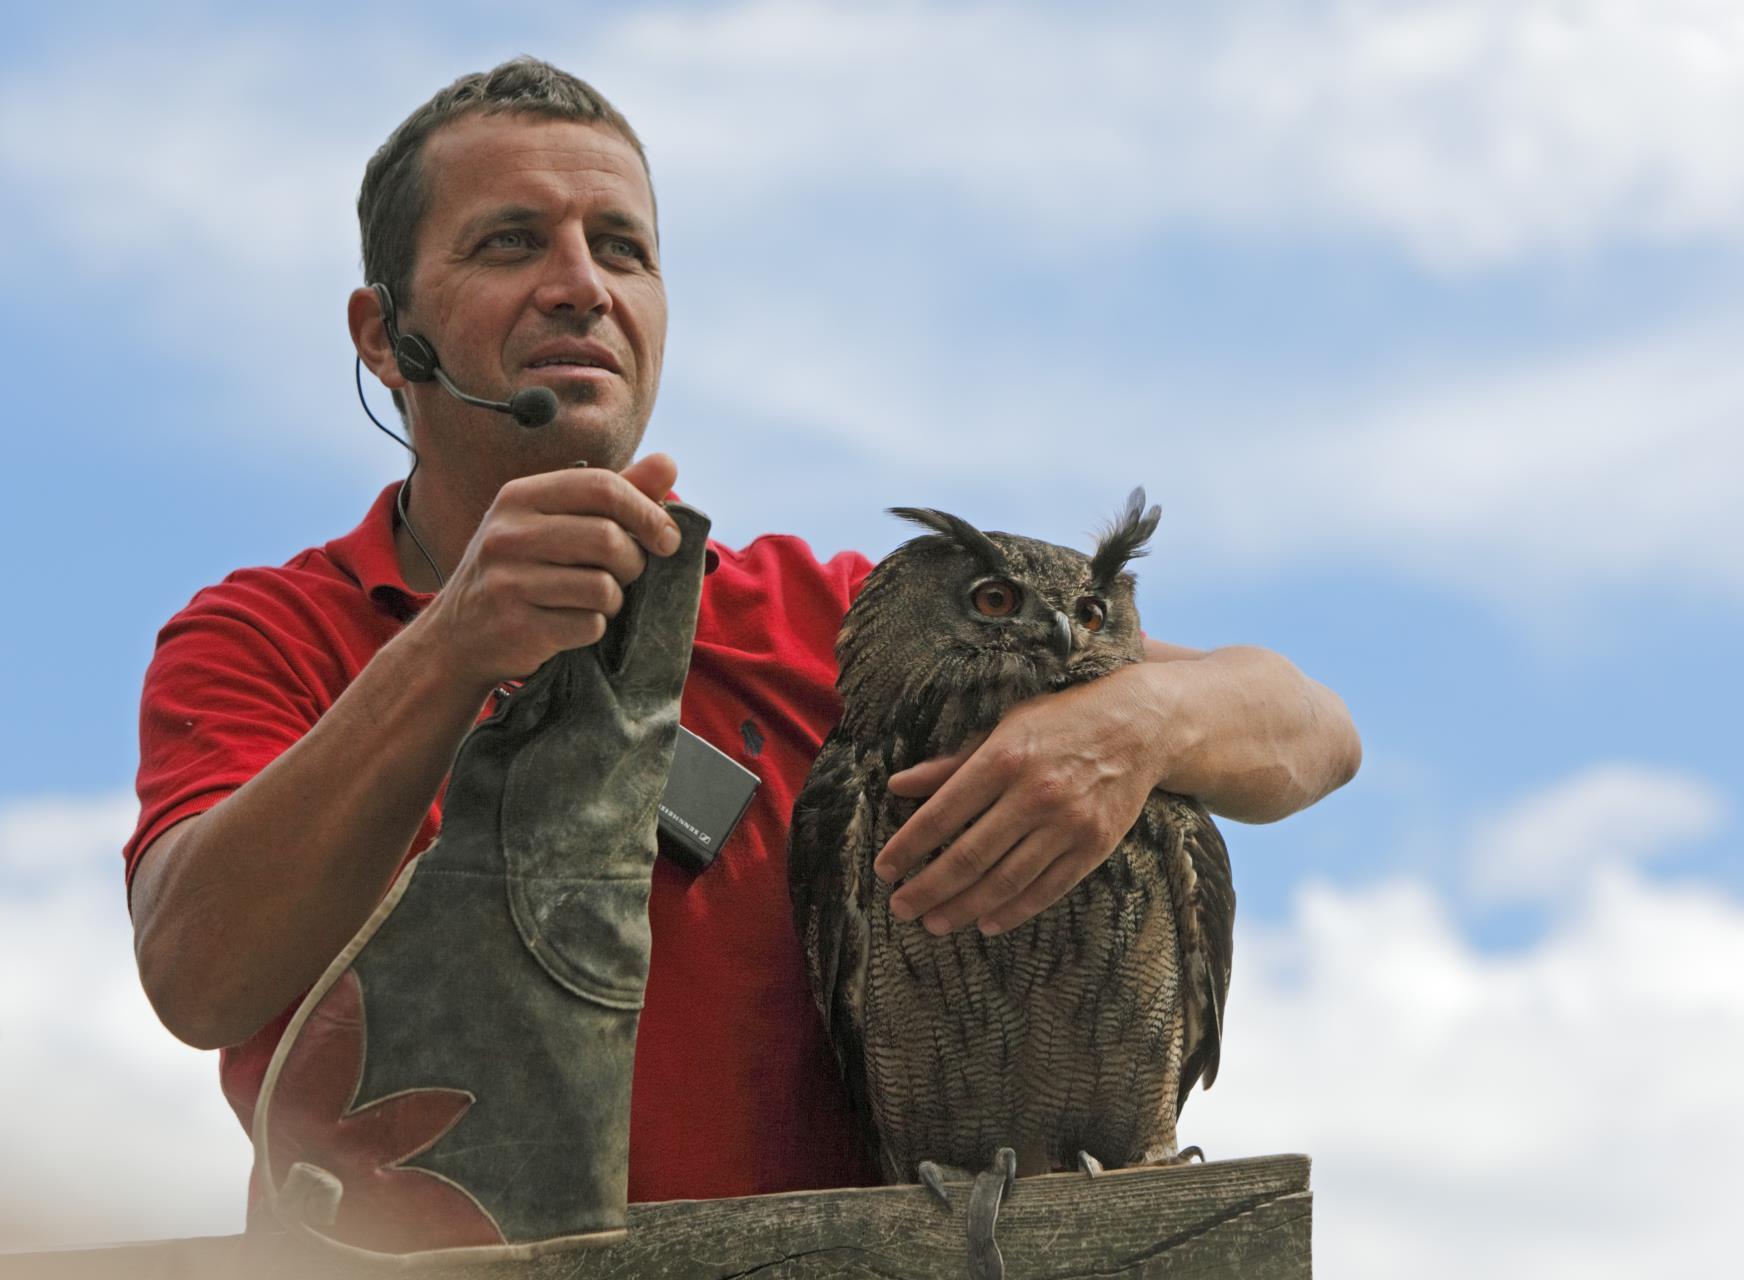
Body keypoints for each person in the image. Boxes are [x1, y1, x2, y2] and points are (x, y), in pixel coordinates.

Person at [125, 58, 1362, 1211]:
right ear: (385, 335)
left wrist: (1138, 721)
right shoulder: (268, 634)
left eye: (624, 249)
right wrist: (449, 649)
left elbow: (1313, 730)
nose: (581, 283)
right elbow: (200, 972)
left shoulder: (833, 620)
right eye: (512, 243)